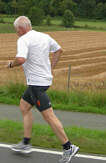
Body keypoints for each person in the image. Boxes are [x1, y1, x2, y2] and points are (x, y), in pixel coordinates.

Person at [7, 16, 79, 163]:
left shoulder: (23, 39)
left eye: (16, 30)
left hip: (36, 84)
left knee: (49, 116)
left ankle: (68, 147)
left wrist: (10, 64)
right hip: (44, 80)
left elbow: (21, 59)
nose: (16, 33)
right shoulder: (44, 36)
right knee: (24, 106)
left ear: (20, 29)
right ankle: (26, 143)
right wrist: (50, 69)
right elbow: (59, 50)